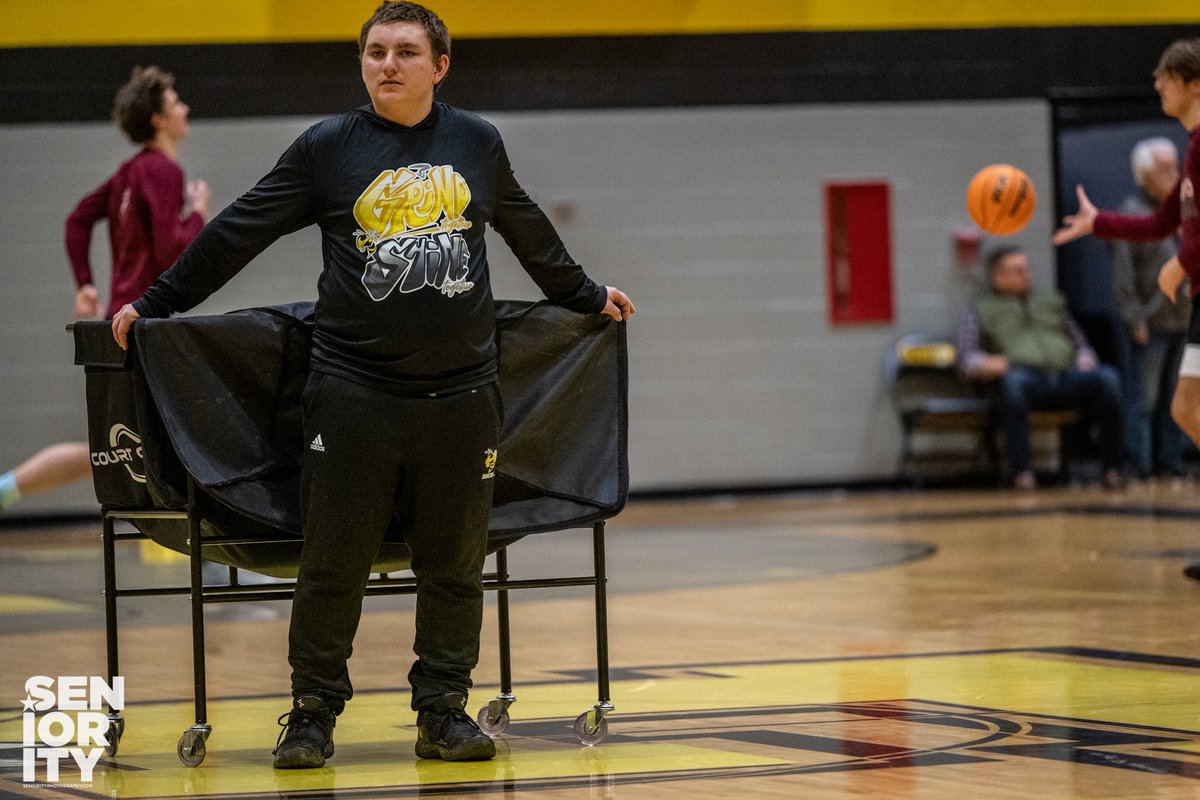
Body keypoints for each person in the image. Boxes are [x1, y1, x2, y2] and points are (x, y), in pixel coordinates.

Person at [112, 1, 634, 768]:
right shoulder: (328, 148)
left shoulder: (477, 143)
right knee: (334, 561)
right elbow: (239, 230)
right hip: (352, 393)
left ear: (439, 65)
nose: (387, 64)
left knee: (455, 566)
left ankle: (443, 712)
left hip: (463, 396)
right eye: (375, 52)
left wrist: (587, 294)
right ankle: (313, 713)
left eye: (404, 51)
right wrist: (154, 304)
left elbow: (526, 230)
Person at [0, 66, 209, 514]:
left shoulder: (127, 172)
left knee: (112, 449)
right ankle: (203, 547)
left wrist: (85, 285)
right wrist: (198, 215)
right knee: (162, 440)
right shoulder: (164, 170)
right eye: (175, 102)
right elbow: (173, 250)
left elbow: (77, 219)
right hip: (145, 325)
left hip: (119, 318)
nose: (184, 108)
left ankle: (6, 489)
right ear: (157, 118)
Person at [957, 246, 1125, 491]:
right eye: (1017, 270)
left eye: (1027, 269)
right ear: (998, 277)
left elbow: (1080, 343)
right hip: (1024, 377)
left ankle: (1112, 469)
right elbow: (965, 356)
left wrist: (1084, 357)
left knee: (1108, 377)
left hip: (1065, 374)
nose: (1026, 275)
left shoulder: (1052, 301)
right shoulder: (981, 309)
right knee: (1012, 384)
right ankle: (1022, 473)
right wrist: (986, 363)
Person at [1112, 137, 1191, 480]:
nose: (1173, 174)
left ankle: (1170, 464)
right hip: (1151, 320)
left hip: (1185, 319)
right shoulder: (1132, 213)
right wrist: (1134, 317)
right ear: (1143, 174)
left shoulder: (1186, 212)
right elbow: (1122, 275)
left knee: (1176, 399)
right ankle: (1140, 466)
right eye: (1164, 169)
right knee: (1144, 399)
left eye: (1176, 166)